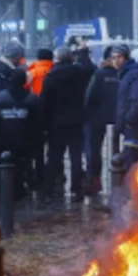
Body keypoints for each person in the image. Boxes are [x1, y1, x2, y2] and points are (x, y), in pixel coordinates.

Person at [41, 46, 91, 203]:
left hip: (56, 123)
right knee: (76, 157)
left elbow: (44, 103)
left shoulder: (50, 77)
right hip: (76, 121)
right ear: (71, 58)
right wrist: (83, 53)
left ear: (56, 58)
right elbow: (90, 69)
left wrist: (44, 125)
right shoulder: (79, 74)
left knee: (54, 157)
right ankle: (77, 190)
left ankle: (48, 190)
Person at [0, 67, 43, 203]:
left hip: (4, 139)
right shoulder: (32, 99)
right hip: (26, 141)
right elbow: (39, 121)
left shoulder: (0, 97)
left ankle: (0, 187)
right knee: (24, 164)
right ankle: (25, 186)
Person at [84, 46, 120, 198]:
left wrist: (86, 113)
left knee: (93, 150)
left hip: (96, 117)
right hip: (117, 117)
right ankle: (119, 181)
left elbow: (89, 96)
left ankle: (94, 181)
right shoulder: (123, 74)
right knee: (116, 150)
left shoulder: (99, 74)